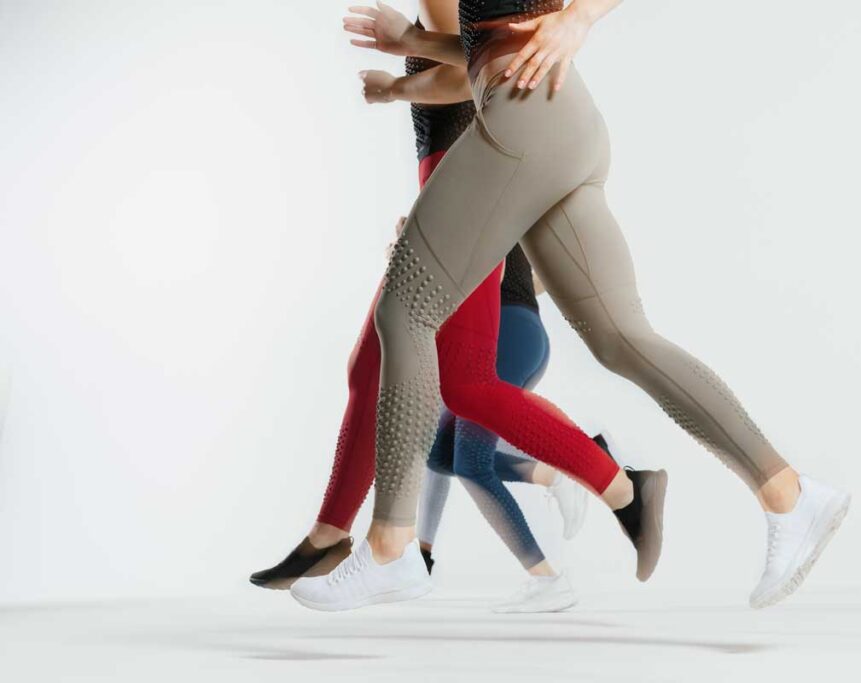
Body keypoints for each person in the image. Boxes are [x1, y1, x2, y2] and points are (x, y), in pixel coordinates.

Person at [292, 0, 850, 612]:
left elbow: (514, 33)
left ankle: (391, 549)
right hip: (559, 117)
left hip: (525, 114)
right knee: (623, 339)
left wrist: (579, 16)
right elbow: (497, 28)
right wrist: (412, 43)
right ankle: (790, 494)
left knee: (406, 314)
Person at [252, 0, 627, 614]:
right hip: (452, 181)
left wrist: (394, 87)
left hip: (464, 181)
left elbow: (466, 75)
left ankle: (607, 480)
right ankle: (339, 537)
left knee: (463, 389)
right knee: (375, 373)